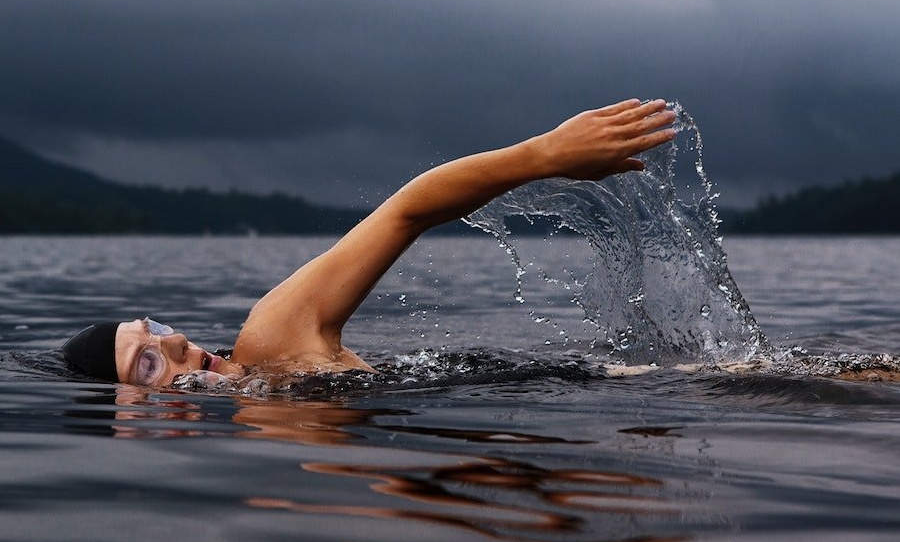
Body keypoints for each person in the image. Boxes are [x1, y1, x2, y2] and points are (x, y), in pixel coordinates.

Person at [61, 99, 677, 387]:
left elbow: (405, 212)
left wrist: (543, 156)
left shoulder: (272, 340)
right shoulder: (266, 453)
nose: (175, 341)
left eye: (156, 328)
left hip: (641, 385)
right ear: (130, 420)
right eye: (147, 361)